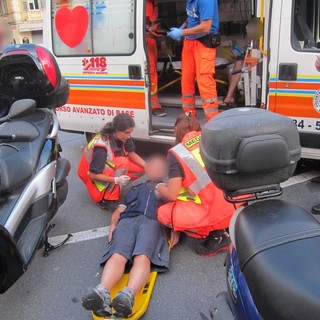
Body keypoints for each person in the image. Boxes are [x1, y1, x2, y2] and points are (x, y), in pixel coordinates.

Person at [81, 154, 170, 318]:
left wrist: (176, 230)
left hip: (153, 221)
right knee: (118, 254)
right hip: (128, 220)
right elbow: (119, 210)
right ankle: (102, 292)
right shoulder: (133, 189)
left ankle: (128, 295)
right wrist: (113, 226)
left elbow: (175, 211)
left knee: (142, 255)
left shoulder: (169, 189)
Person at [157, 113, 236, 255]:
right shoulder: (214, 140)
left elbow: (172, 194)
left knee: (163, 213)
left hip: (215, 209)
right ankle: (228, 223)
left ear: (175, 131)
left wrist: (159, 187)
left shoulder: (178, 153)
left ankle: (216, 234)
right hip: (235, 202)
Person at [78, 113, 145, 211]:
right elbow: (93, 175)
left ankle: (116, 187)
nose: (129, 136)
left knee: (141, 168)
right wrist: (116, 180)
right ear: (116, 130)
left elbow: (130, 152)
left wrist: (146, 165)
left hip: (109, 168)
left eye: (130, 132)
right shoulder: (101, 146)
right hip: (92, 176)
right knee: (123, 162)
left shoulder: (123, 137)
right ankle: (107, 199)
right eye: (126, 132)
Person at [168, 0, 220, 119]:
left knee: (204, 80)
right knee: (186, 78)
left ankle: (212, 118)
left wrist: (181, 32)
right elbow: (191, 14)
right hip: (189, 42)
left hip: (204, 43)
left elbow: (206, 27)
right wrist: (183, 26)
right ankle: (189, 114)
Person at [146, 0, 167, 117]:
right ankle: (154, 105)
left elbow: (155, 24)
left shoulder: (153, 4)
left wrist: (161, 38)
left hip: (151, 41)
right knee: (150, 73)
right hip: (141, 41)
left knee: (152, 73)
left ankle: (153, 104)